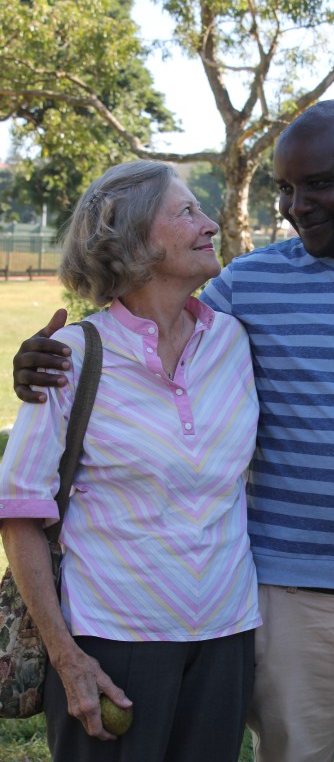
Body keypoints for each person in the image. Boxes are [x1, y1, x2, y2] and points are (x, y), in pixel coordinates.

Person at [11, 100, 334, 762]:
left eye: (318, 184)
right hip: (285, 607)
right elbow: (141, 315)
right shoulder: (246, 287)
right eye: (285, 187)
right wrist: (41, 360)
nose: (297, 206)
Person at [1, 160, 261, 762]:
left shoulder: (233, 341)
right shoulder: (70, 356)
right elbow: (19, 515)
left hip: (226, 635)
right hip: (111, 642)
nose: (211, 223)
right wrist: (67, 658)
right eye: (187, 211)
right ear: (136, 239)